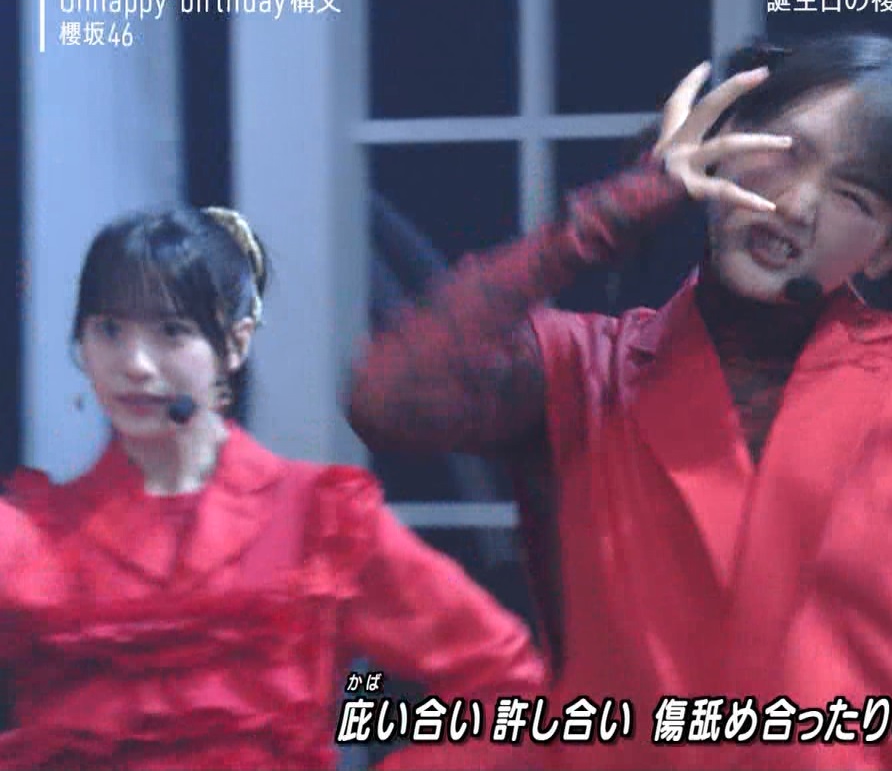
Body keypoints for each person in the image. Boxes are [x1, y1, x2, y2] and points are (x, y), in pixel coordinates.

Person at [347, 33, 892, 770]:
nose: (797, 205)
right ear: (718, 147)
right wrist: (620, 207)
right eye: (783, 152)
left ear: (889, 248)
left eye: (852, 196)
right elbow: (389, 395)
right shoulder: (586, 369)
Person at [0, 206, 545, 770]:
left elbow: (506, 687)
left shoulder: (318, 519)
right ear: (82, 343)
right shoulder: (31, 537)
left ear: (234, 344)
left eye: (171, 332)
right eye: (110, 330)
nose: (135, 364)